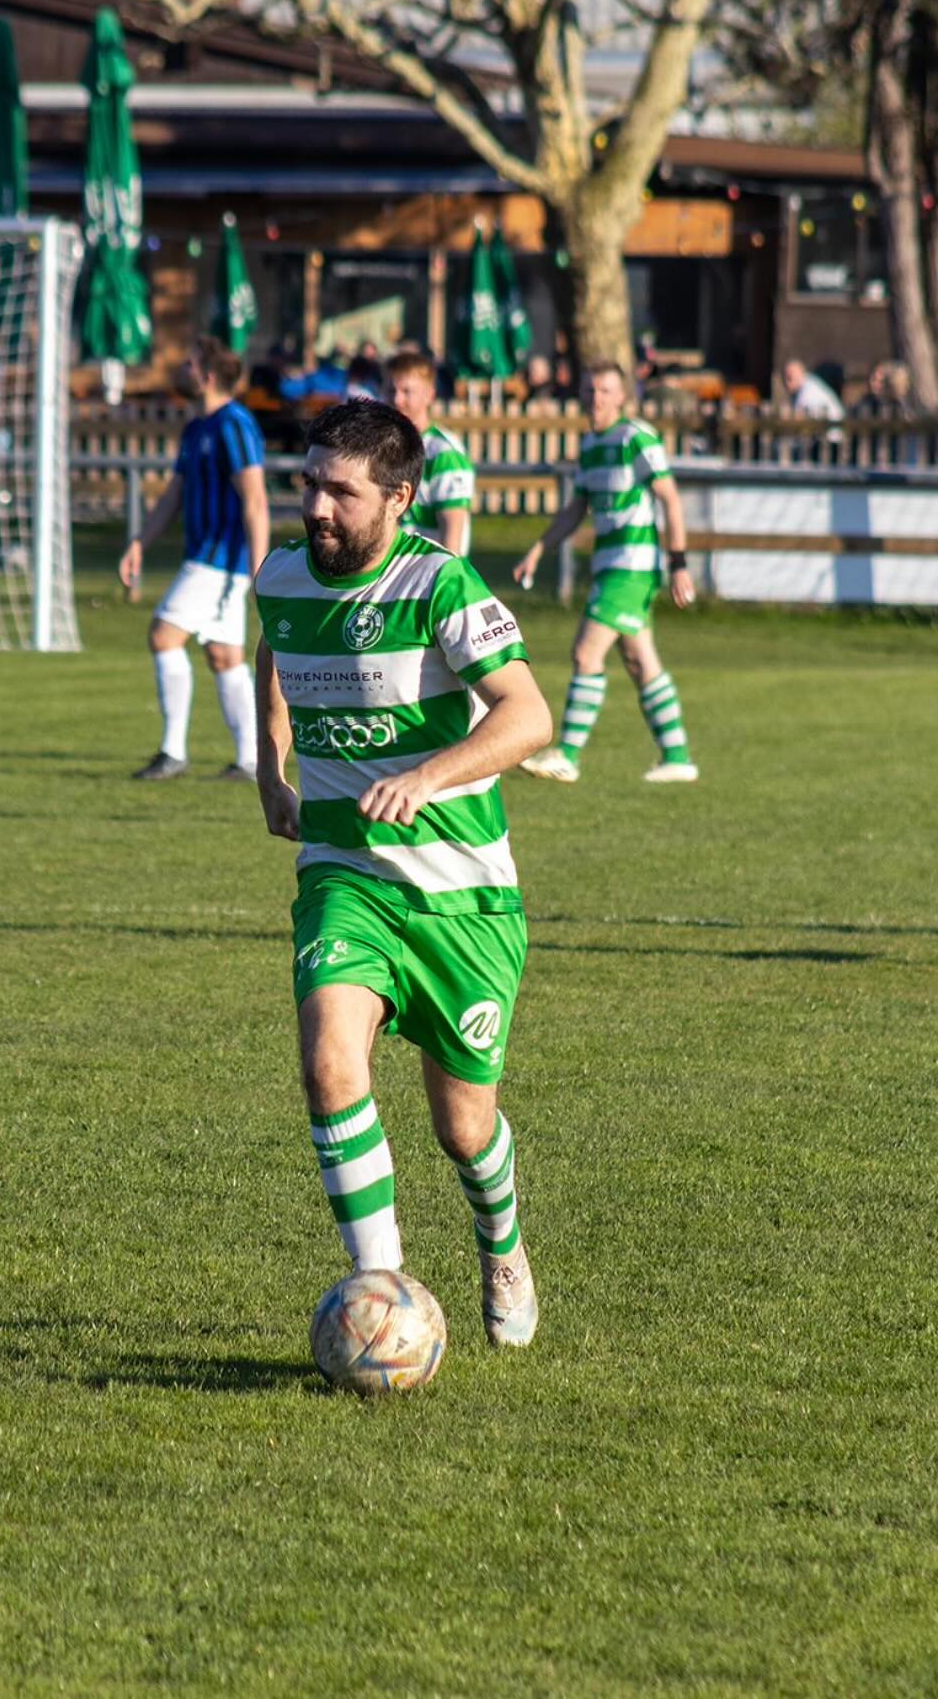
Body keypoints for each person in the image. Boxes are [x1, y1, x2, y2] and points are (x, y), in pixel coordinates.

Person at [254, 399, 552, 1348]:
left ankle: (500, 1240)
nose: (318, 508)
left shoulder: (441, 584)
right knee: (328, 1062)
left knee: (464, 1130)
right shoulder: (284, 575)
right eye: (309, 484)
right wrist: (271, 762)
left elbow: (527, 717)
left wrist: (428, 775)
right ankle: (380, 1290)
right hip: (346, 872)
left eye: (341, 491)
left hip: (465, 891)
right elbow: (278, 642)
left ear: (398, 496)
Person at [513, 361, 698, 785]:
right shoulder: (591, 444)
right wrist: (540, 549)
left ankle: (568, 755)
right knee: (639, 660)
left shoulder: (636, 437)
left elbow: (669, 498)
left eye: (605, 390)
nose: (596, 397)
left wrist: (679, 564)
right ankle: (677, 756)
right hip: (609, 567)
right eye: (590, 389)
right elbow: (577, 507)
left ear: (623, 397)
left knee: (586, 652)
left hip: (633, 568)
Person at [120, 336, 270, 781]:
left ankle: (172, 751)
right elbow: (175, 495)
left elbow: (256, 499)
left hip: (219, 562)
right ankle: (249, 759)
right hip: (205, 559)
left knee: (163, 635)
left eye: (186, 364)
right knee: (225, 656)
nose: (179, 371)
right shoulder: (196, 427)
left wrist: (258, 568)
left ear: (205, 375)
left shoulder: (234, 423)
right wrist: (139, 543)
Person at [385, 348, 476, 557]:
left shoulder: (443, 453)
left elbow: (452, 540)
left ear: (430, 395)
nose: (397, 400)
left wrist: (441, 583)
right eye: (391, 390)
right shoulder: (379, 446)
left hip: (425, 577)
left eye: (407, 391)